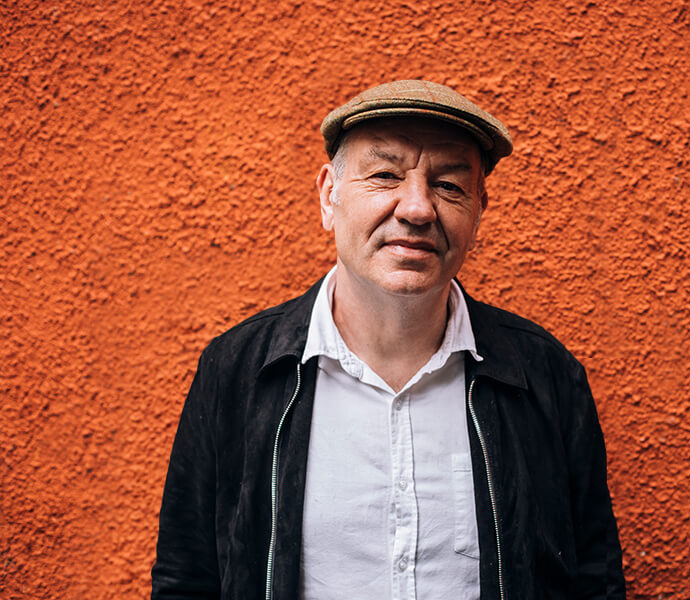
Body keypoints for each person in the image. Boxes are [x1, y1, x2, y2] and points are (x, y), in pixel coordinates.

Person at [151, 79, 626, 599]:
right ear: (329, 196)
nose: (418, 209)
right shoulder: (238, 370)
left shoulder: (545, 375)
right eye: (384, 175)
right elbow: (187, 578)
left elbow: (594, 581)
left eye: (448, 184)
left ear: (478, 210)